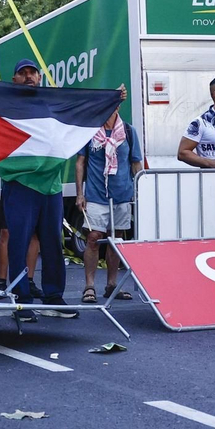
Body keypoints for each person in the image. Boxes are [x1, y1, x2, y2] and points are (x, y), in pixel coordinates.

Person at [0, 59, 78, 318]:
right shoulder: (5, 106)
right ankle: (21, 300)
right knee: (19, 243)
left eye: (33, 72)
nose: (29, 76)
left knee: (53, 243)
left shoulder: (51, 103)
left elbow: (81, 113)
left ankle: (54, 298)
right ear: (15, 79)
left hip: (50, 186)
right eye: (23, 73)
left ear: (40, 78)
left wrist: (111, 99)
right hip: (20, 183)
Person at [75, 104, 143, 303]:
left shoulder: (128, 131)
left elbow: (135, 162)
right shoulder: (90, 131)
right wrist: (80, 193)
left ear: (119, 106)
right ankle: (89, 286)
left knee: (116, 239)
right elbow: (80, 162)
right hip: (96, 193)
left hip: (122, 193)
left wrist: (141, 189)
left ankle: (112, 284)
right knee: (94, 237)